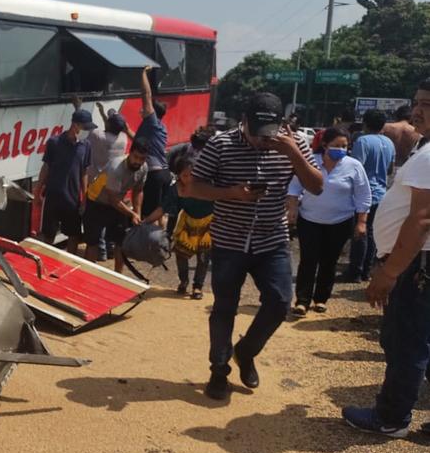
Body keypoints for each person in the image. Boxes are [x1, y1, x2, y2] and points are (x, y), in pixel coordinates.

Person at [188, 92, 323, 401]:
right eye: (255, 134)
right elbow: (194, 187)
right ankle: (218, 370)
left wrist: (294, 154)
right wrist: (232, 193)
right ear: (243, 121)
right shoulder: (220, 144)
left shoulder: (292, 144)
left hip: (271, 239)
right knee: (224, 308)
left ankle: (246, 352)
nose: (262, 142)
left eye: (268, 135)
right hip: (229, 241)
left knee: (279, 302)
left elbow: (316, 186)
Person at [341, 79, 430, 437]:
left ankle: (391, 418)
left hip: (416, 265)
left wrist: (390, 271)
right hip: (417, 262)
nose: (418, 109)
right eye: (418, 101)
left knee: (405, 341)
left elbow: (422, 219)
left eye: (428, 103)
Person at [286, 127, 371, 316]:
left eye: (344, 146)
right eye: (336, 146)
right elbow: (294, 187)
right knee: (308, 260)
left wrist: (361, 222)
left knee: (329, 261)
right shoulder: (310, 162)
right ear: (324, 145)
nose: (340, 150)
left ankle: (321, 299)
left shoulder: (354, 166)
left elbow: (363, 196)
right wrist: (292, 209)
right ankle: (302, 300)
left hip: (340, 221)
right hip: (310, 219)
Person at [143, 151, 214, 299]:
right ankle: (184, 281)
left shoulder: (209, 184)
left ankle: (197, 287)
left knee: (203, 257)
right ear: (179, 176)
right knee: (181, 254)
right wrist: (145, 222)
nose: (189, 179)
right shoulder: (175, 189)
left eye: (192, 174)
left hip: (209, 223)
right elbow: (162, 209)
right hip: (187, 222)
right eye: (185, 176)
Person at [344, 109, 396, 282]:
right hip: (382, 193)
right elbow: (390, 169)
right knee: (373, 233)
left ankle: (355, 272)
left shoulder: (362, 141)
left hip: (363, 194)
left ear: (365, 123)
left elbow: (356, 168)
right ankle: (366, 270)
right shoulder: (389, 142)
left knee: (359, 232)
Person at [83, 137, 149, 272]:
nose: (138, 161)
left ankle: (118, 276)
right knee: (93, 243)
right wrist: (132, 214)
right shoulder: (116, 167)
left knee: (121, 241)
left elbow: (138, 190)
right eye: (135, 157)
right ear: (129, 153)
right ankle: (87, 274)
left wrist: (138, 214)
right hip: (97, 202)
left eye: (142, 159)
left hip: (117, 204)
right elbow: (113, 199)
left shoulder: (143, 168)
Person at [35, 109, 94, 255]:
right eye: (85, 127)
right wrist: (37, 192)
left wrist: (85, 197)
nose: (87, 131)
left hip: (72, 200)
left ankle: (69, 261)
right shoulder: (54, 143)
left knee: (73, 235)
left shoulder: (86, 146)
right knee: (48, 235)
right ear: (75, 125)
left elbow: (84, 172)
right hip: (53, 198)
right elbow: (46, 167)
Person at [136, 66, 172, 218]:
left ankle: (151, 241)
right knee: (159, 212)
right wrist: (126, 130)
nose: (142, 110)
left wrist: (143, 73)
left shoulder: (152, 122)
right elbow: (140, 142)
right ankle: (159, 239)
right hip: (164, 174)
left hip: (154, 175)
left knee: (150, 215)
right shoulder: (159, 127)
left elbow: (146, 95)